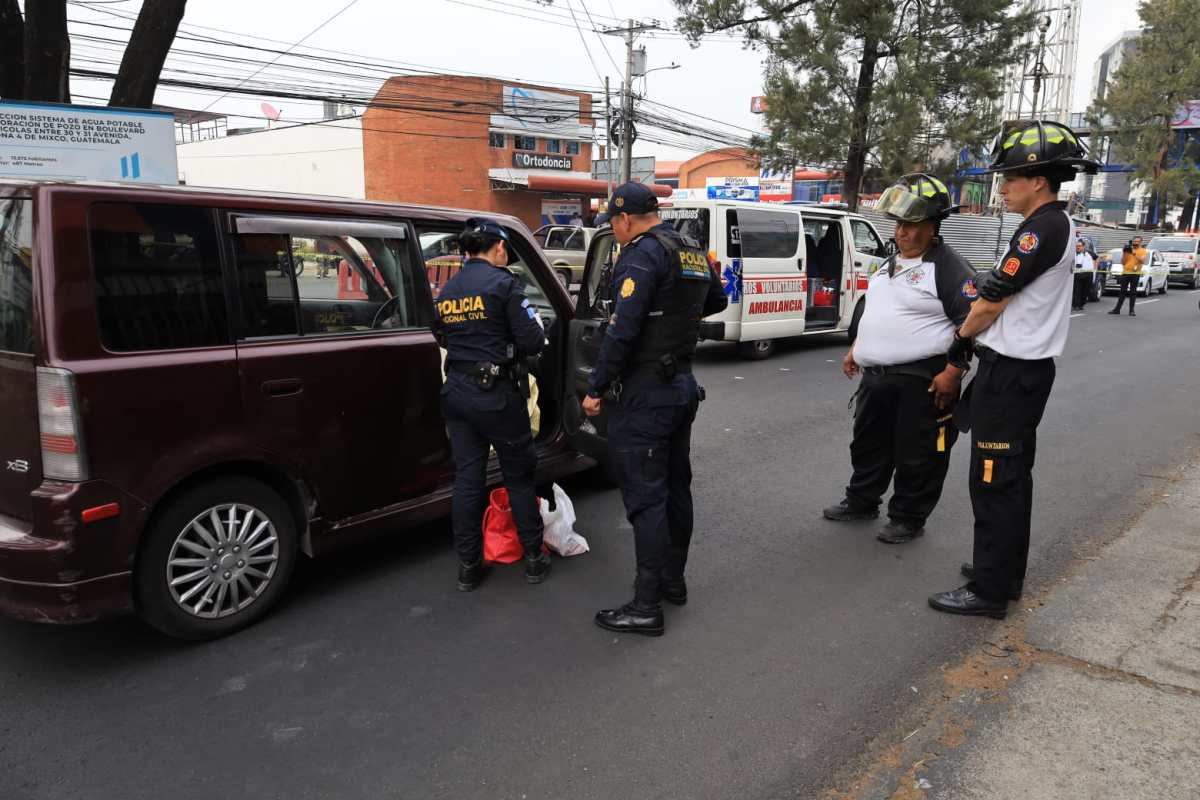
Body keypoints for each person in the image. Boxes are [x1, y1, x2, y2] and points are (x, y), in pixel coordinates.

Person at [929, 120, 1099, 619]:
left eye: (1010, 179)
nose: (1002, 189)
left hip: (1010, 374)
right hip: (1023, 373)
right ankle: (1004, 573)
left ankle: (988, 591)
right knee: (1012, 476)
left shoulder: (1040, 229)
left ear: (1038, 181)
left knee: (994, 478)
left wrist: (958, 346)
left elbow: (990, 301)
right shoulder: (1056, 224)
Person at [582, 182, 727, 636]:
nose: (614, 231)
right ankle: (672, 582)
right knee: (676, 488)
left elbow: (621, 331)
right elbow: (718, 301)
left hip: (646, 394)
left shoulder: (641, 254)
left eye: (613, 224)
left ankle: (646, 606)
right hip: (681, 386)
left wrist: (595, 387)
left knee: (647, 501)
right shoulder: (690, 248)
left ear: (624, 219)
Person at [824, 173, 976, 544]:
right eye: (899, 224)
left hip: (922, 379)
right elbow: (879, 310)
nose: (902, 232)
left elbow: (972, 322)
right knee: (868, 444)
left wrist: (953, 371)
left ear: (933, 226)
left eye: (912, 224)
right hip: (876, 378)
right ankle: (862, 501)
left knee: (918, 453)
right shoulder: (890, 263)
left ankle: (908, 517)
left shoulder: (949, 268)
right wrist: (857, 349)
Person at [432, 217, 551, 592]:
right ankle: (534, 559)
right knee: (518, 477)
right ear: (498, 247)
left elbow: (440, 333)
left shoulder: (449, 289)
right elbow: (533, 340)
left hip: (457, 393)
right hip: (496, 396)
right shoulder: (505, 284)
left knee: (468, 479)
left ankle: (469, 566)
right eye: (505, 251)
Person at [1109, 235, 1148, 316]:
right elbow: (1123, 262)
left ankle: (1131, 310)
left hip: (1135, 273)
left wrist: (1134, 254)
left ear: (1140, 242)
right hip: (1126, 273)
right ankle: (1117, 309)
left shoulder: (1143, 251)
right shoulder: (1128, 250)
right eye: (1134, 241)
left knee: (1133, 292)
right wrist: (1125, 253)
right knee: (1122, 291)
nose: (1135, 243)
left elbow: (1142, 261)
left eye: (1137, 241)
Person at [1071, 239, 1094, 311]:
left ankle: (1081, 304)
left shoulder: (1089, 253)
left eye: (1080, 246)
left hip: (1088, 274)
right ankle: (1075, 305)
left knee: (1085, 291)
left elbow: (1097, 258)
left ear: (1083, 246)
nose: (1078, 247)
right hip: (1077, 274)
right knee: (1077, 290)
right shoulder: (1073, 254)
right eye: (1077, 246)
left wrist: (1095, 267)